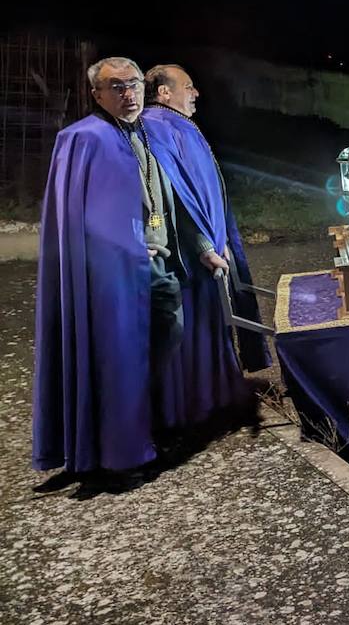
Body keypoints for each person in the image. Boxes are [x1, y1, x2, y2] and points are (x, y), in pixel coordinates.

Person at [32, 57, 219, 477]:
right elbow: (80, 219)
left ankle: (141, 432)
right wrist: (127, 247)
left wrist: (202, 245)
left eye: (133, 83)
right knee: (118, 360)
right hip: (113, 277)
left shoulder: (149, 134)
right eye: (115, 87)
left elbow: (176, 197)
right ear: (97, 95)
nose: (128, 93)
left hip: (159, 267)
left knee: (158, 350)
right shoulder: (84, 138)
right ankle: (121, 455)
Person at [144, 63, 271, 377]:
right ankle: (207, 391)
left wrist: (222, 236)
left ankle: (224, 377)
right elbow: (174, 195)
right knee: (199, 321)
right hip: (188, 253)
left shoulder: (177, 123)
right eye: (188, 86)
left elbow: (201, 188)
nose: (195, 93)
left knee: (220, 313)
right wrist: (203, 244)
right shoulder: (158, 128)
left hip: (212, 241)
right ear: (164, 91)